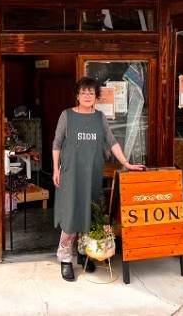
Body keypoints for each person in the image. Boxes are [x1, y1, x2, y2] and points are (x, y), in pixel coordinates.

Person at [52, 77, 145, 282]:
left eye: (91, 93)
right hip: (70, 174)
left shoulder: (99, 117)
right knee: (71, 214)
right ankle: (65, 258)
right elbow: (57, 143)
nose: (87, 96)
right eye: (83, 92)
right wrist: (55, 169)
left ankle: (84, 253)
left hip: (92, 174)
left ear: (96, 97)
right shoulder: (66, 115)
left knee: (91, 212)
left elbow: (112, 142)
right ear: (77, 95)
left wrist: (126, 163)